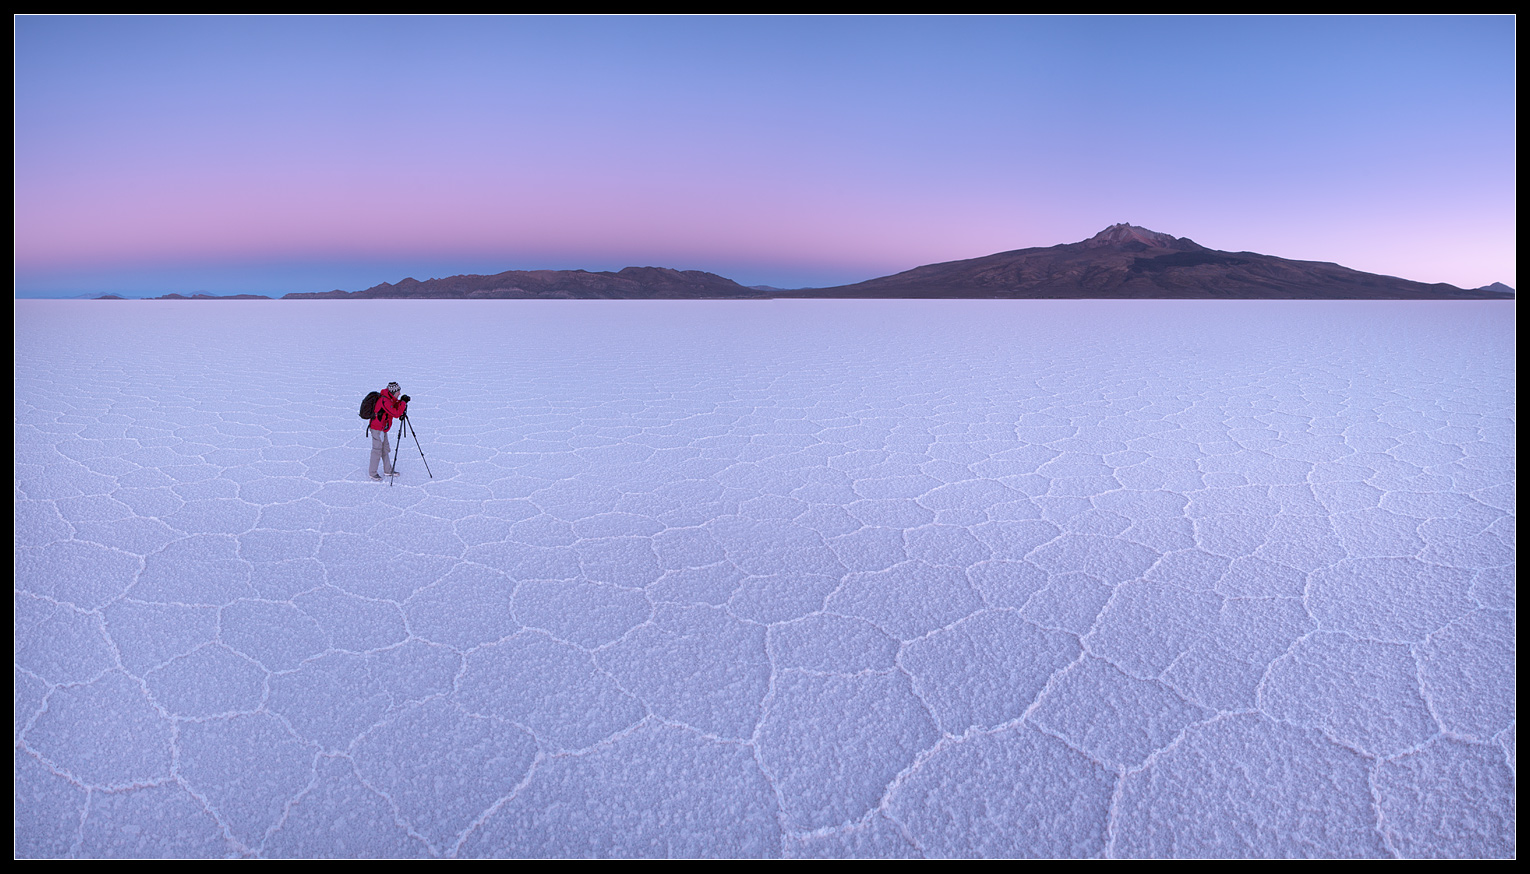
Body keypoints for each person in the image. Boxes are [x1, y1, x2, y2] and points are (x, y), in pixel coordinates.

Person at [368, 382, 410, 480]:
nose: (399, 393)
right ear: (393, 392)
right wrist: (403, 402)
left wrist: (402, 401)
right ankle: (372, 473)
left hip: (383, 428)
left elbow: (394, 405)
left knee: (385, 449)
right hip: (377, 428)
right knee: (377, 450)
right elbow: (395, 413)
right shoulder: (384, 400)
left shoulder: (389, 398)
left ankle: (388, 470)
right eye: (398, 392)